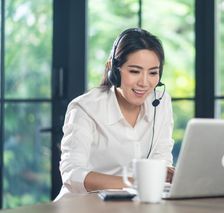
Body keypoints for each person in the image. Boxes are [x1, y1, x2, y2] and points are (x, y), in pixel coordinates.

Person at [55, 28, 175, 200]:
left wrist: (166, 174)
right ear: (113, 70)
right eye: (134, 71)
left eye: (153, 72)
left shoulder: (161, 103)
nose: (144, 82)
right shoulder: (85, 108)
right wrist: (137, 182)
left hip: (133, 205)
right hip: (82, 206)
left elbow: (161, 158)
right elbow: (72, 175)